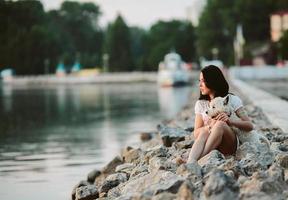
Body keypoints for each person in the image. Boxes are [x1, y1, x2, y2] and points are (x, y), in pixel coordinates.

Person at [183, 65, 254, 164]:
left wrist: (230, 122)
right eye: (199, 81)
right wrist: (209, 127)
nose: (200, 85)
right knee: (204, 131)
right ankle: (191, 161)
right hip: (212, 144)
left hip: (229, 145)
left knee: (220, 124)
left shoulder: (231, 99)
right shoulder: (201, 104)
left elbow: (250, 126)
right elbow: (196, 133)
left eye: (203, 81)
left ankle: (199, 159)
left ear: (212, 81)